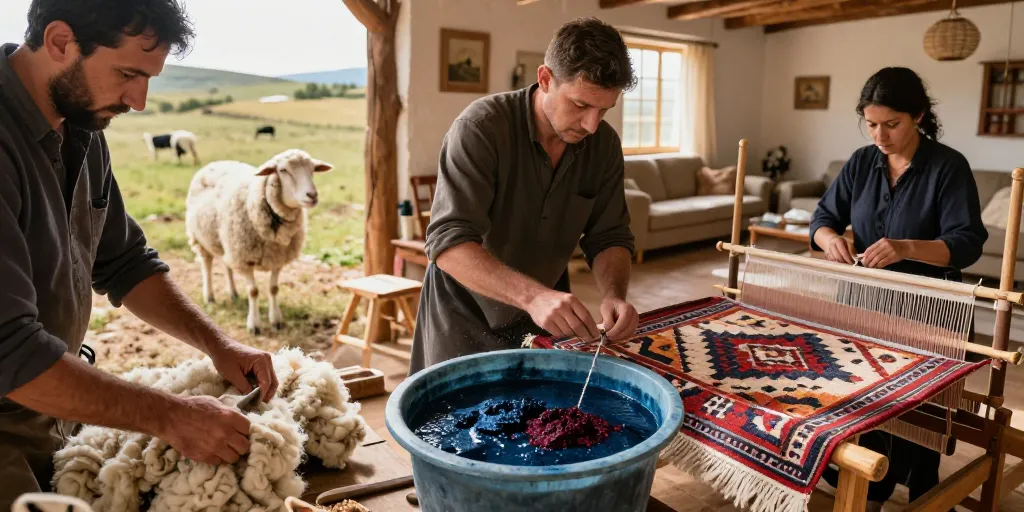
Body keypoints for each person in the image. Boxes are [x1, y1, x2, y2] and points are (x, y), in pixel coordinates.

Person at [0, 1, 280, 506]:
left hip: (54, 408)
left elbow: (124, 262)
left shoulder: (81, 127)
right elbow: (8, 352)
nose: (140, 100)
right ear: (61, 40)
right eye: (128, 73)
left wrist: (217, 344)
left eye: (149, 77)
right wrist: (172, 416)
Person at [409, 17, 641, 374]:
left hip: (546, 319)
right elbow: (447, 242)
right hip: (462, 318)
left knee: (539, 424)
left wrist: (614, 294)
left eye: (605, 109)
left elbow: (609, 235)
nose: (592, 124)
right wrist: (533, 296)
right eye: (580, 105)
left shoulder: (604, 144)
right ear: (545, 79)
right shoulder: (480, 128)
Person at [810, 67, 988, 509]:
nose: (880, 136)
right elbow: (822, 219)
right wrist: (831, 238)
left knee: (920, 409)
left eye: (892, 124)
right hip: (866, 301)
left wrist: (907, 246)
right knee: (866, 397)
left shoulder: (948, 167)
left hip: (931, 307)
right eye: (871, 124)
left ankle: (921, 484)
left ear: (919, 117)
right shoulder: (861, 162)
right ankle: (871, 481)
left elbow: (967, 244)